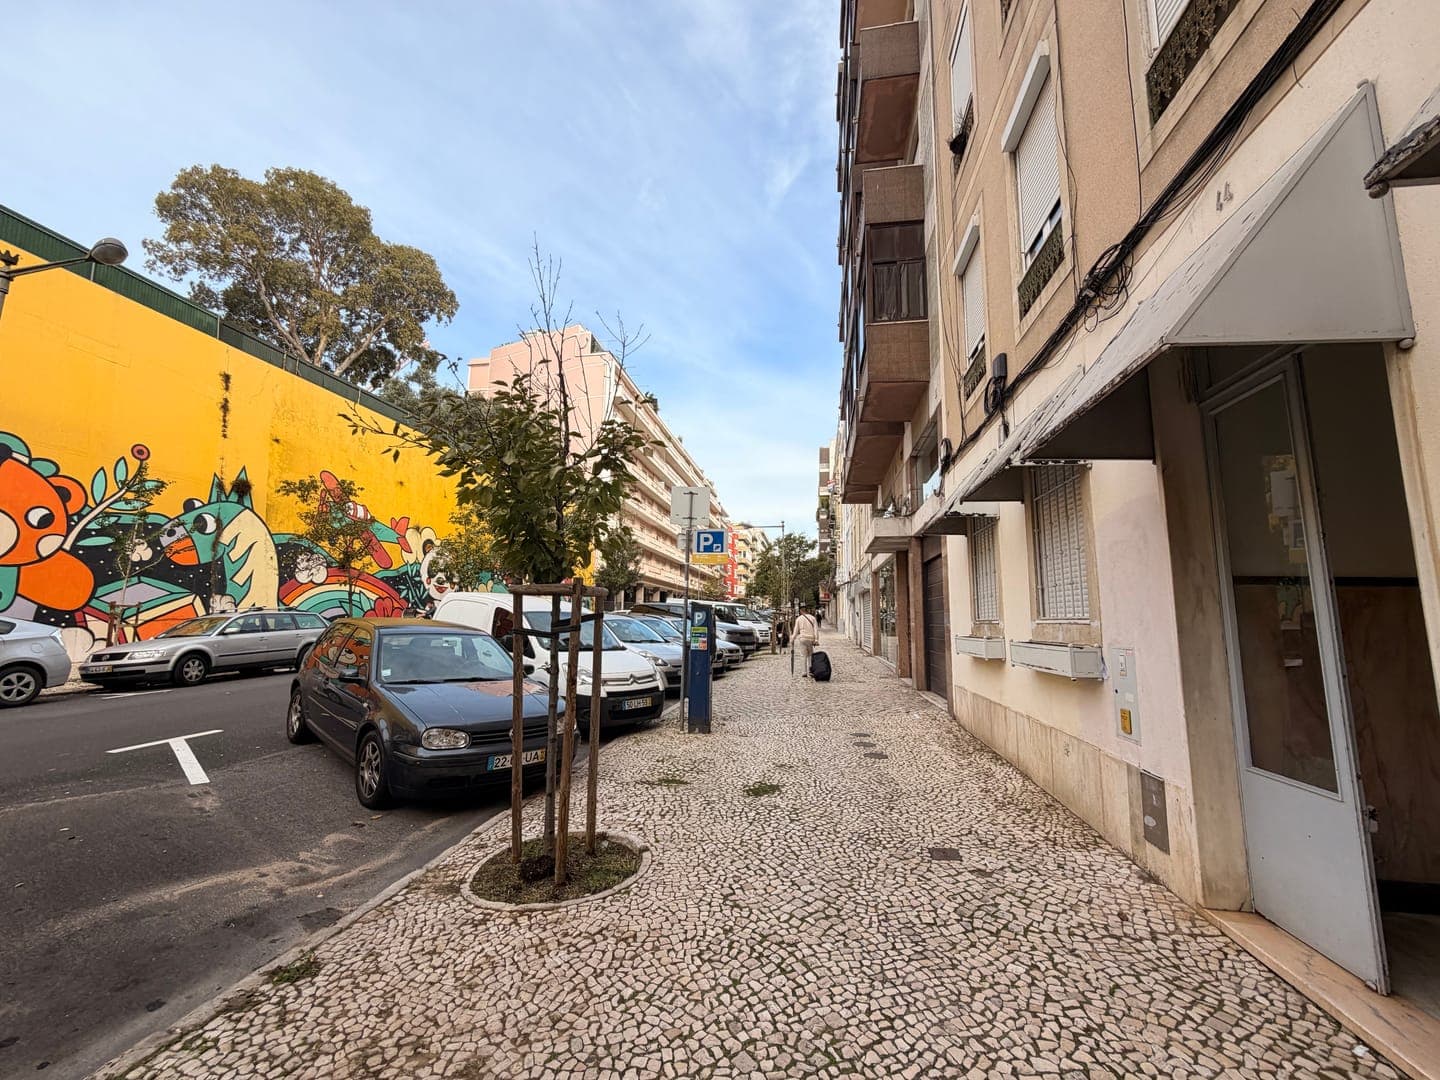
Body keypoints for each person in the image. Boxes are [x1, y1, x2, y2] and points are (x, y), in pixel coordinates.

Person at [792, 606, 819, 678]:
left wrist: (792, 639)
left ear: (801, 611)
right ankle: (811, 671)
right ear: (808, 611)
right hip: (811, 639)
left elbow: (796, 630)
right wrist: (816, 639)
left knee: (803, 655)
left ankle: (804, 672)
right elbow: (816, 629)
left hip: (803, 638)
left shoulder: (799, 619)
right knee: (810, 655)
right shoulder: (813, 618)